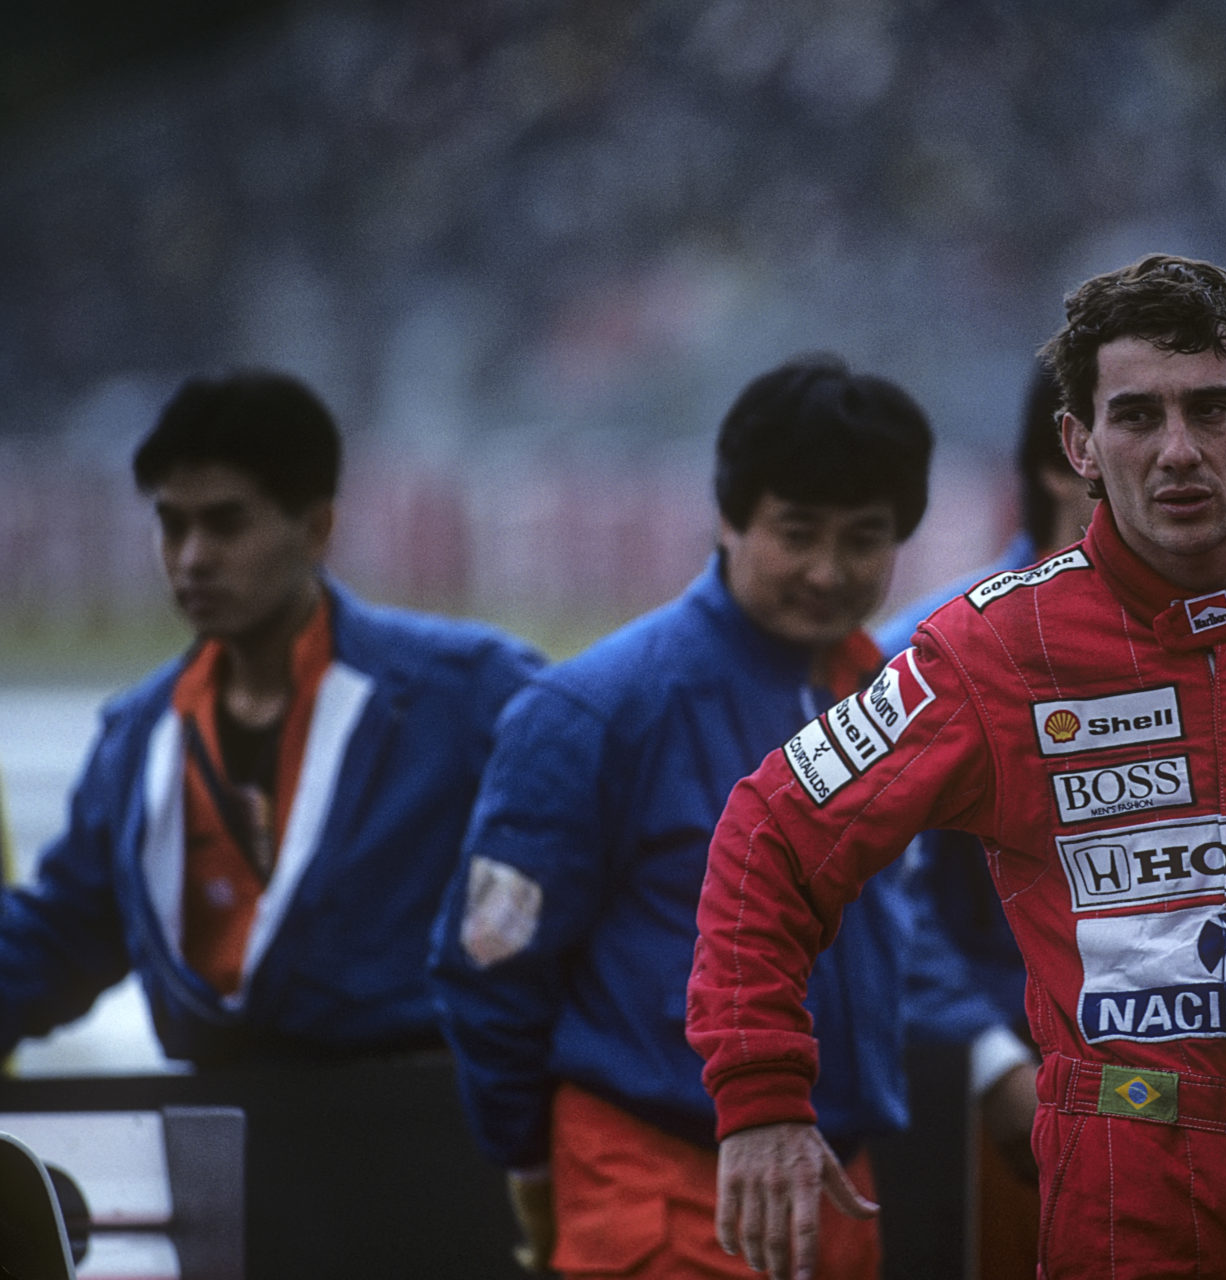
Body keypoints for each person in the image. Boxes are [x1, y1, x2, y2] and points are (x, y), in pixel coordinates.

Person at [686, 254, 1226, 1280]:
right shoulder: (990, 650)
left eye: (1210, 409)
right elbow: (770, 832)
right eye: (1136, 416)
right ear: (1079, 444)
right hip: (1127, 1199)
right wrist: (763, 1099)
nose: (1177, 450)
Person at [430, 355, 935, 1279]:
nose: (829, 570)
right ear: (728, 517)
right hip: (655, 1195)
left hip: (839, 1196)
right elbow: (489, 967)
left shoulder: (882, 700)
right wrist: (539, 1174)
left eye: (864, 539)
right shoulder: (596, 709)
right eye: (797, 532)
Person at [0, 369, 542, 1065]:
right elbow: (61, 936)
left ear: (316, 527)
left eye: (226, 524)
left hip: (421, 1135)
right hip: (217, 1146)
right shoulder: (136, 739)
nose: (192, 559)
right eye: (172, 526)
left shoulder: (469, 694)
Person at [875, 364, 1097, 1186]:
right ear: (1064, 454)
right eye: (1138, 424)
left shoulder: (1220, 648)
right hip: (982, 1122)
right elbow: (876, 895)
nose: (1175, 459)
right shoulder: (931, 653)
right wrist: (988, 1059)